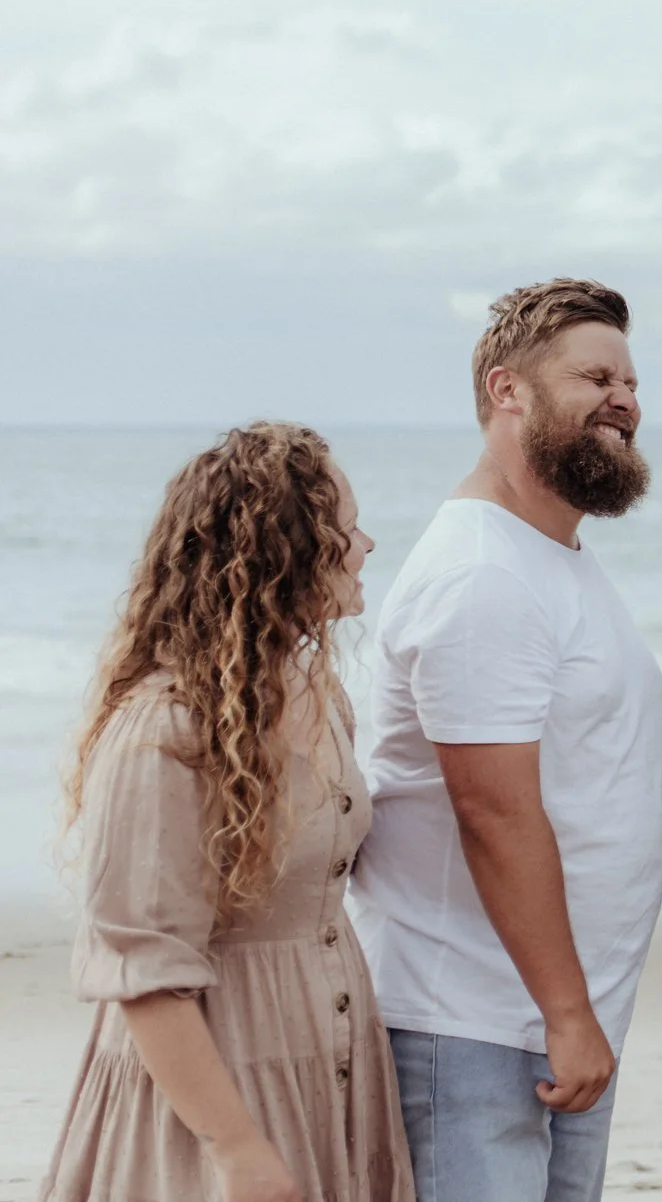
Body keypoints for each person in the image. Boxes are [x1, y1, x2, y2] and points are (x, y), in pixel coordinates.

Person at [352, 278, 662, 1202]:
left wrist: (576, 1016)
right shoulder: (482, 573)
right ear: (508, 390)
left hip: (545, 1027)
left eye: (632, 380)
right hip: (479, 1028)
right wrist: (566, 1013)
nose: (625, 399)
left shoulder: (550, 552)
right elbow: (493, 809)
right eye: (595, 375)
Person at [43, 422, 414, 1202]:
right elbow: (145, 970)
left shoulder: (317, 692)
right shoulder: (165, 730)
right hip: (217, 1085)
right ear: (286, 552)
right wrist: (238, 1146)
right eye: (347, 528)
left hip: (325, 1064)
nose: (368, 544)